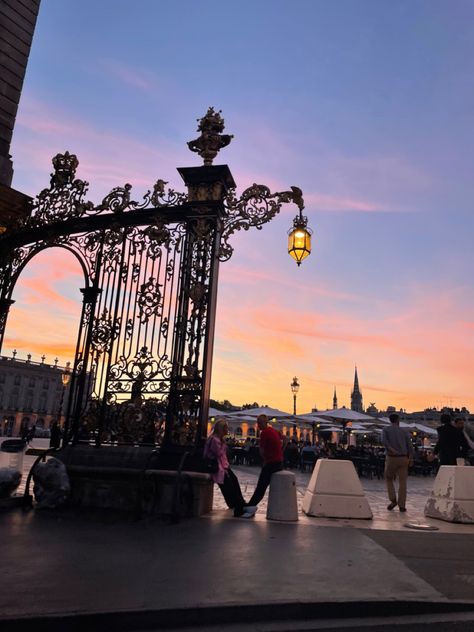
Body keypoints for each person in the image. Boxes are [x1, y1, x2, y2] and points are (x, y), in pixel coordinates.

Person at [204, 419, 253, 518]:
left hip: (223, 467)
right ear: (221, 429)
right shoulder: (215, 440)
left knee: (234, 480)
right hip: (217, 467)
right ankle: (239, 509)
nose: (227, 430)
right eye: (226, 428)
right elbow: (218, 454)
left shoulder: (220, 440)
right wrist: (223, 445)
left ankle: (241, 504)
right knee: (230, 486)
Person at [245, 414, 285, 509]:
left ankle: (250, 505)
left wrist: (265, 460)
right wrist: (281, 451)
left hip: (271, 463)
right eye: (258, 423)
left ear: (264, 423)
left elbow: (261, 451)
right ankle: (252, 504)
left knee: (261, 486)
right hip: (279, 462)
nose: (258, 425)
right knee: (263, 485)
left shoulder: (264, 433)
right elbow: (286, 439)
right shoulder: (273, 430)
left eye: (259, 423)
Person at [381, 413, 414, 512]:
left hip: (392, 458)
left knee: (388, 478)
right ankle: (402, 505)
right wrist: (411, 458)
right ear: (398, 420)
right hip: (404, 458)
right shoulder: (404, 431)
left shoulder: (385, 430)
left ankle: (393, 500)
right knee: (403, 482)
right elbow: (410, 446)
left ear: (390, 420)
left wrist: (391, 449)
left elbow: (383, 441)